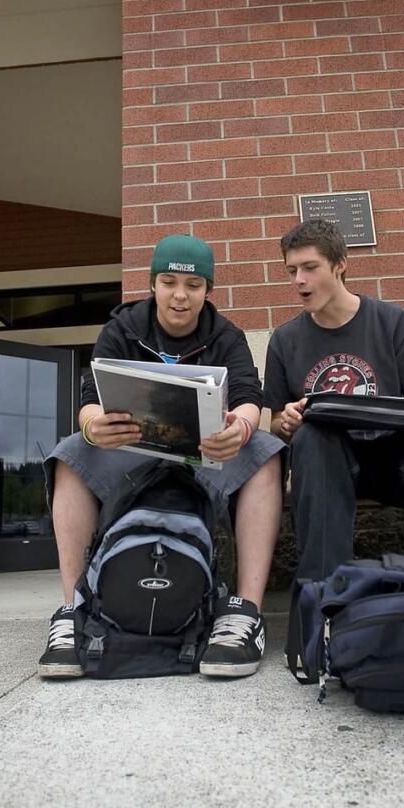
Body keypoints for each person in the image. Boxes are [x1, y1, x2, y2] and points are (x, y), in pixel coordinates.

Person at [38, 234, 285, 679]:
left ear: (208, 291)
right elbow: (90, 398)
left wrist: (242, 427)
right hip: (132, 454)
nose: (179, 295)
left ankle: (243, 613)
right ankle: (73, 611)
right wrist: (94, 425)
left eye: (192, 285)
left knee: (266, 451)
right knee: (69, 453)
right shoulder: (122, 328)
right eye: (168, 281)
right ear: (152, 285)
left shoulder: (227, 335)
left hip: (204, 458)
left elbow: (250, 396)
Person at [263, 219, 404, 584]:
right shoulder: (285, 340)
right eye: (291, 270)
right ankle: (324, 603)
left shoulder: (392, 321)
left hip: (398, 467)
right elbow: (274, 424)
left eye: (310, 267)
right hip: (329, 471)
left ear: (340, 264)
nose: (298, 279)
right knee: (311, 439)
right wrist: (284, 421)